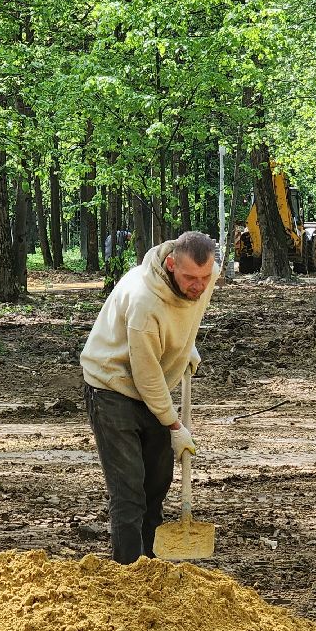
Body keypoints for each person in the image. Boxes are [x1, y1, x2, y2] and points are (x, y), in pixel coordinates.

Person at [81, 230, 219, 563]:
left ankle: (151, 566)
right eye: (190, 278)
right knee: (129, 490)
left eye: (204, 277)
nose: (199, 285)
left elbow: (188, 312)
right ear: (171, 264)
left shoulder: (207, 274)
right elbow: (146, 376)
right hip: (111, 386)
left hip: (153, 383)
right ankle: (129, 573)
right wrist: (174, 426)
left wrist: (184, 346)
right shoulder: (145, 300)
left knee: (157, 484)